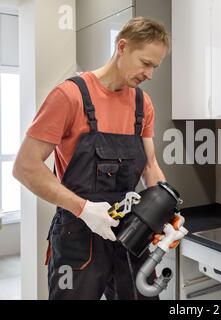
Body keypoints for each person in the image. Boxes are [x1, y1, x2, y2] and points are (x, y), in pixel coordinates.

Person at [13, 16, 177, 300]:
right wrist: (84, 209)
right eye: (146, 63)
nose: (150, 74)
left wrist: (165, 211)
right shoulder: (70, 96)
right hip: (77, 237)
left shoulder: (142, 104)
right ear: (122, 47)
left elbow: (151, 166)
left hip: (130, 232)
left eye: (155, 67)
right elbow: (25, 167)